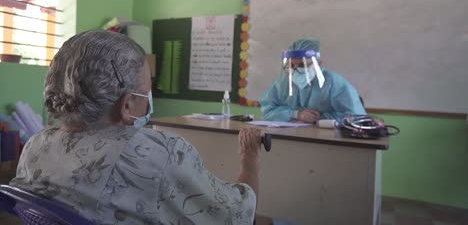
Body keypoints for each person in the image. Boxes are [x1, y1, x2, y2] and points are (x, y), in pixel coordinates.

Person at [10, 30, 268, 224]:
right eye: (146, 93)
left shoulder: (36, 145)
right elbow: (238, 214)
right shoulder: (156, 154)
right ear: (127, 105)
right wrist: (250, 159)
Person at [259, 38, 365, 123]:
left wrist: (316, 118)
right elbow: (267, 110)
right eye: (292, 65)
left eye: (302, 65)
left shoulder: (332, 82)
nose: (296, 70)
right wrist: (296, 114)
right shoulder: (283, 82)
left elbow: (354, 117)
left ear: (318, 64)